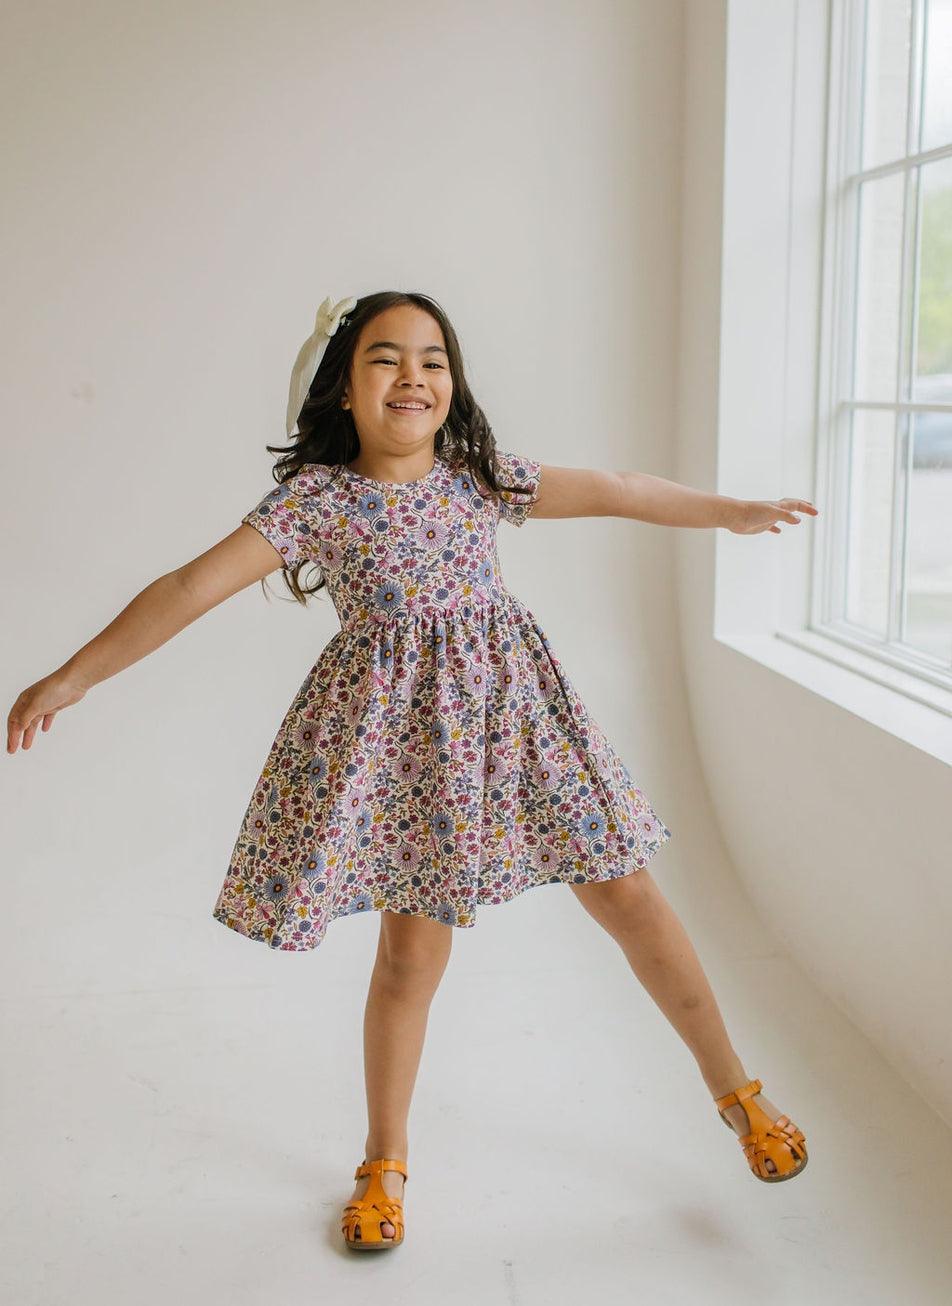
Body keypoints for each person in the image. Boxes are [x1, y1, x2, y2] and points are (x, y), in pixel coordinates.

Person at [7, 289, 818, 1251]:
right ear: (344, 389)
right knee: (410, 957)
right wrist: (73, 677)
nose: (413, 377)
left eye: (432, 359)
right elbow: (188, 588)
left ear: (452, 384)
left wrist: (729, 512)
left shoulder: (482, 477)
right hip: (403, 759)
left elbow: (622, 486)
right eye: (385, 359)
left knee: (631, 896)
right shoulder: (318, 501)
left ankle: (736, 1091)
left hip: (518, 726)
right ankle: (383, 1161)